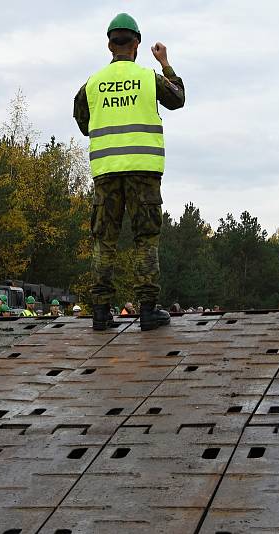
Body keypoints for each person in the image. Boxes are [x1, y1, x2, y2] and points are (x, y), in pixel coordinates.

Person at [74, 12, 185, 332]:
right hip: (144, 173)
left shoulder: (91, 84)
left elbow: (83, 123)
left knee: (104, 241)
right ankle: (148, 310)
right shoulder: (149, 78)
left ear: (110, 45)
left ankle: (100, 312)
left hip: (106, 174)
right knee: (145, 240)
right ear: (136, 44)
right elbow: (177, 99)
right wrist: (165, 63)